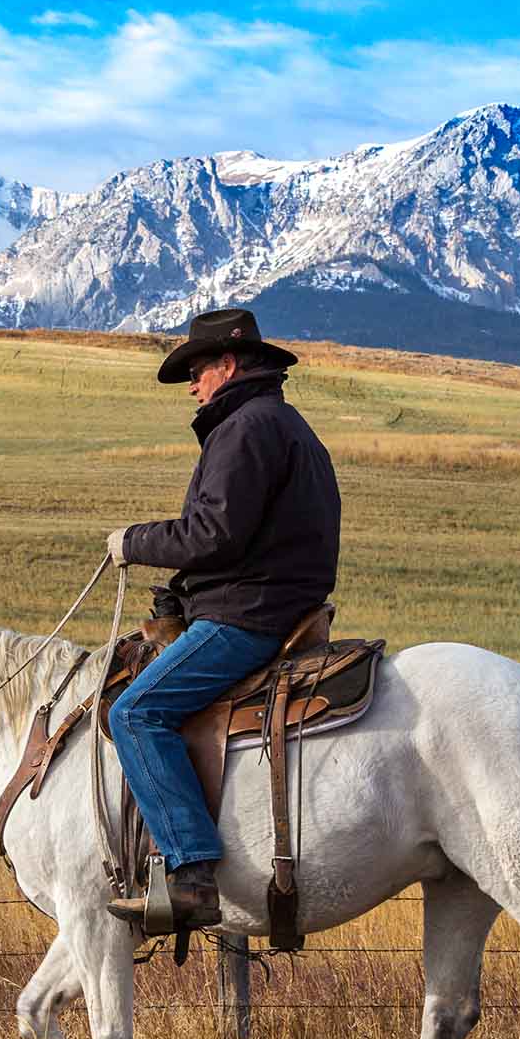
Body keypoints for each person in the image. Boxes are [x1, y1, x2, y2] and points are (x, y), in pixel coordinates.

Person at [102, 307, 341, 929]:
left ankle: (190, 874)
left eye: (197, 370)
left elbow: (214, 534)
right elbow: (244, 538)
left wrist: (135, 541)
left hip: (250, 615)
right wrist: (185, 594)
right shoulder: (282, 424)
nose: (192, 384)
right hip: (268, 601)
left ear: (227, 366)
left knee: (136, 711)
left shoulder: (246, 429)